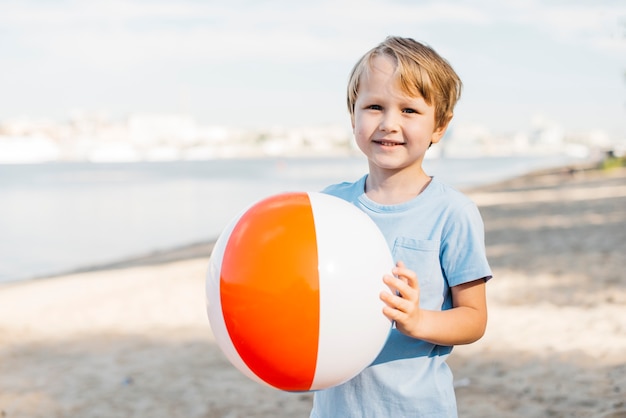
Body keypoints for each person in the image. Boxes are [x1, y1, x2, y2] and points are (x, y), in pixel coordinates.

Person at [310, 36, 493, 417]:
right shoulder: (329, 205)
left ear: (439, 126)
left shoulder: (452, 212)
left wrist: (418, 319)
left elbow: (473, 319)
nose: (389, 123)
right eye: (374, 106)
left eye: (409, 110)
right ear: (353, 116)